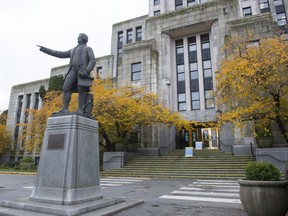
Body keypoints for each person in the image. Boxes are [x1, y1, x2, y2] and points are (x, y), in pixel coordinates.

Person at [38, 33, 96, 115]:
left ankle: (80, 110)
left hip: (81, 71)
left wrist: (86, 71)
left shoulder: (88, 49)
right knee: (66, 87)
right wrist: (46, 50)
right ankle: (65, 109)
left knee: (81, 90)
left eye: (79, 37)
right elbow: (60, 54)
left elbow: (93, 61)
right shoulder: (73, 49)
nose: (77, 39)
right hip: (72, 70)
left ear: (83, 39)